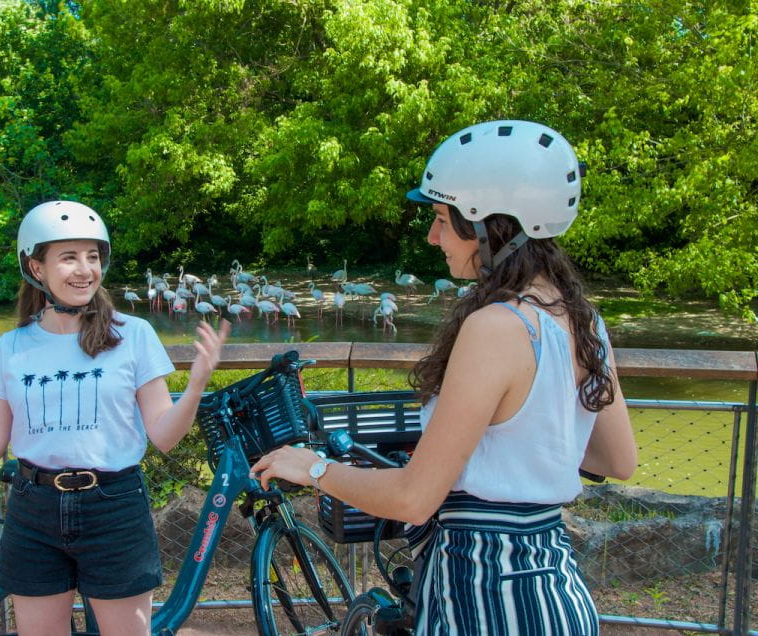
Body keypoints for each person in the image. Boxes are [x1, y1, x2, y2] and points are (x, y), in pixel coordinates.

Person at [251, 120, 637, 635]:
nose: (433, 236)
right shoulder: (579, 318)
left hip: (483, 596)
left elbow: (414, 498)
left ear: (490, 225)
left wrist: (312, 468)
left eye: (441, 218)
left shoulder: (496, 326)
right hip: (555, 591)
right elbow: (618, 459)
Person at [0, 200, 230, 636]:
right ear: (37, 267)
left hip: (114, 506)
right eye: (69, 257)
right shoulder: (11, 347)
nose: (85, 269)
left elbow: (163, 435)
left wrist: (196, 385)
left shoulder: (133, 335)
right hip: (34, 507)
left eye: (93, 256)